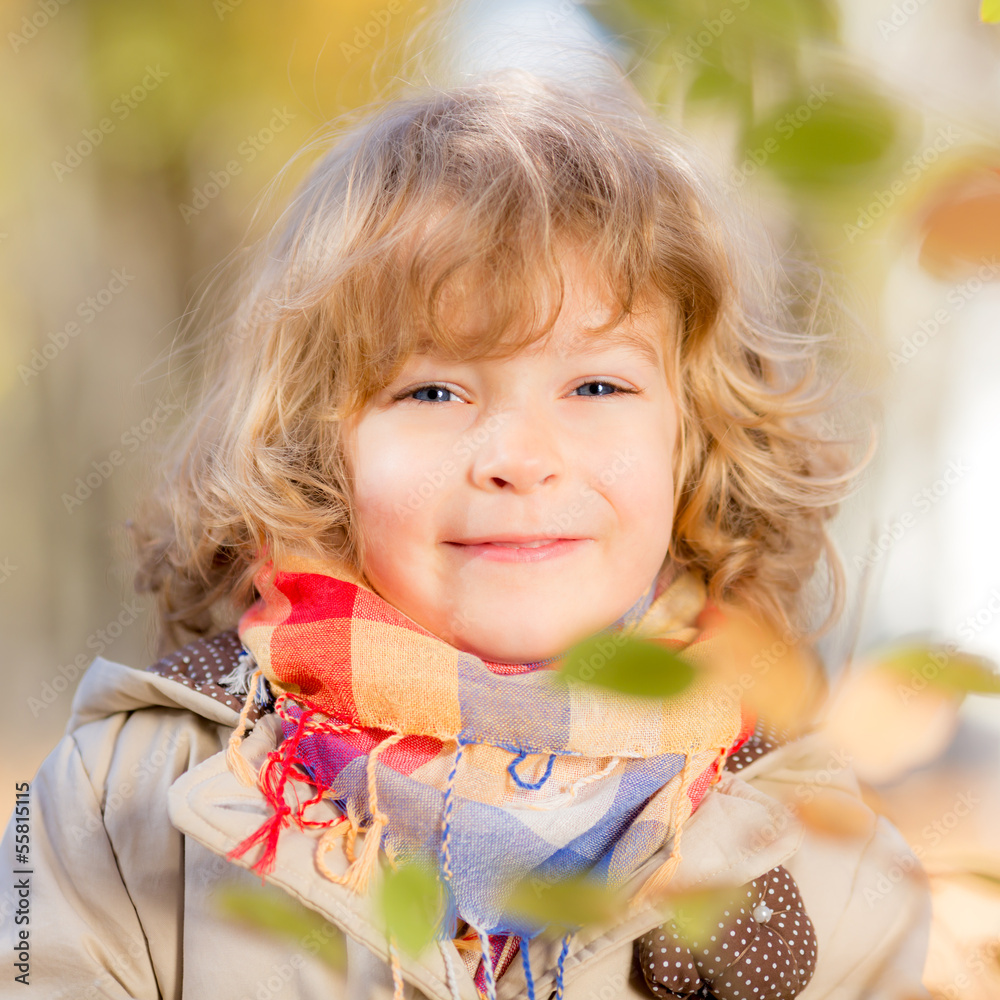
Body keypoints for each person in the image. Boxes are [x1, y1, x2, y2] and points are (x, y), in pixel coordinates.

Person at [0, 66, 931, 1000]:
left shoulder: (824, 864)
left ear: (693, 439)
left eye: (597, 386)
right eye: (433, 391)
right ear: (322, 448)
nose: (520, 459)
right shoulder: (120, 807)